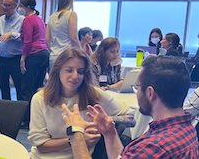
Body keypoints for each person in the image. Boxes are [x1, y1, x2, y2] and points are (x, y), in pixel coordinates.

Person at [65, 56, 198, 159]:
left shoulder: (152, 147)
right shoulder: (187, 130)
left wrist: (76, 133)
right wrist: (110, 134)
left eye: (137, 87)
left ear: (150, 93)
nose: (137, 93)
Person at [27, 48, 133, 159]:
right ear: (58, 71)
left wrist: (102, 122)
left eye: (81, 71)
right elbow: (41, 146)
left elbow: (131, 117)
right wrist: (76, 138)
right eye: (69, 70)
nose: (75, 76)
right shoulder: (40, 99)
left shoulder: (94, 95)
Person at [0, 0, 24, 101]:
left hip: (16, 59)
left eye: (8, 5)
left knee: (19, 87)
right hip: (2, 59)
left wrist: (12, 34)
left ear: (15, 6)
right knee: (3, 87)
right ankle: (7, 113)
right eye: (3, 4)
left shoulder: (23, 20)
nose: (4, 7)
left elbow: (26, 38)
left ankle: (21, 114)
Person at [19, 0, 49, 102]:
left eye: (21, 6)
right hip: (44, 54)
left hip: (34, 54)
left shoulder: (28, 19)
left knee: (27, 89)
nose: (19, 9)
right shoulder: (39, 19)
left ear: (27, 7)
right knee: (37, 88)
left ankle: (26, 117)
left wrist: (23, 58)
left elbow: (28, 40)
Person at [47, 0, 80, 69]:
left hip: (53, 56)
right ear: (71, 2)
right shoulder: (71, 14)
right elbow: (73, 38)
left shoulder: (52, 16)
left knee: (54, 80)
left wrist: (52, 50)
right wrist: (81, 52)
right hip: (67, 56)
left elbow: (47, 40)